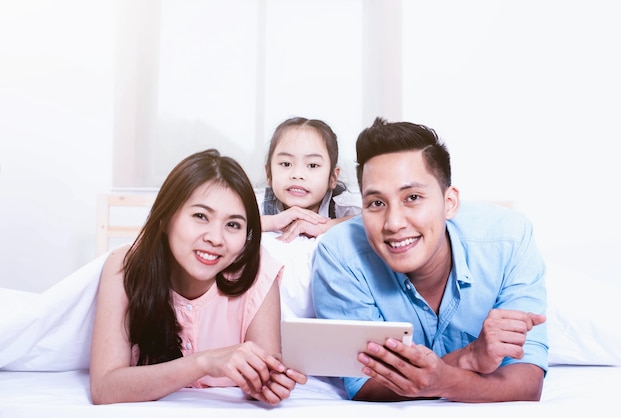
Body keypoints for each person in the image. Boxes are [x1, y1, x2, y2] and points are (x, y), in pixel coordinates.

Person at [310, 117, 548, 402]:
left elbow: (527, 382)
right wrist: (468, 359)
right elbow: (364, 385)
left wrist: (445, 378)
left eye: (412, 197)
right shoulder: (340, 255)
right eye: (376, 203)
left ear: (449, 203)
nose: (394, 223)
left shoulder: (509, 239)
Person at [89, 149, 307, 405]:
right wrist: (204, 363)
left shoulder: (257, 271)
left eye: (233, 225)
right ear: (165, 218)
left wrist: (264, 384)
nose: (216, 238)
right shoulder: (126, 266)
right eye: (201, 216)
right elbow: (105, 388)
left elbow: (262, 376)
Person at [258, 116, 361, 242]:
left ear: (333, 177)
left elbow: (371, 220)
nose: (297, 174)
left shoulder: (343, 206)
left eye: (312, 165)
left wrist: (323, 226)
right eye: (286, 164)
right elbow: (230, 222)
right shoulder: (259, 204)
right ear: (269, 173)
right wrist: (272, 222)